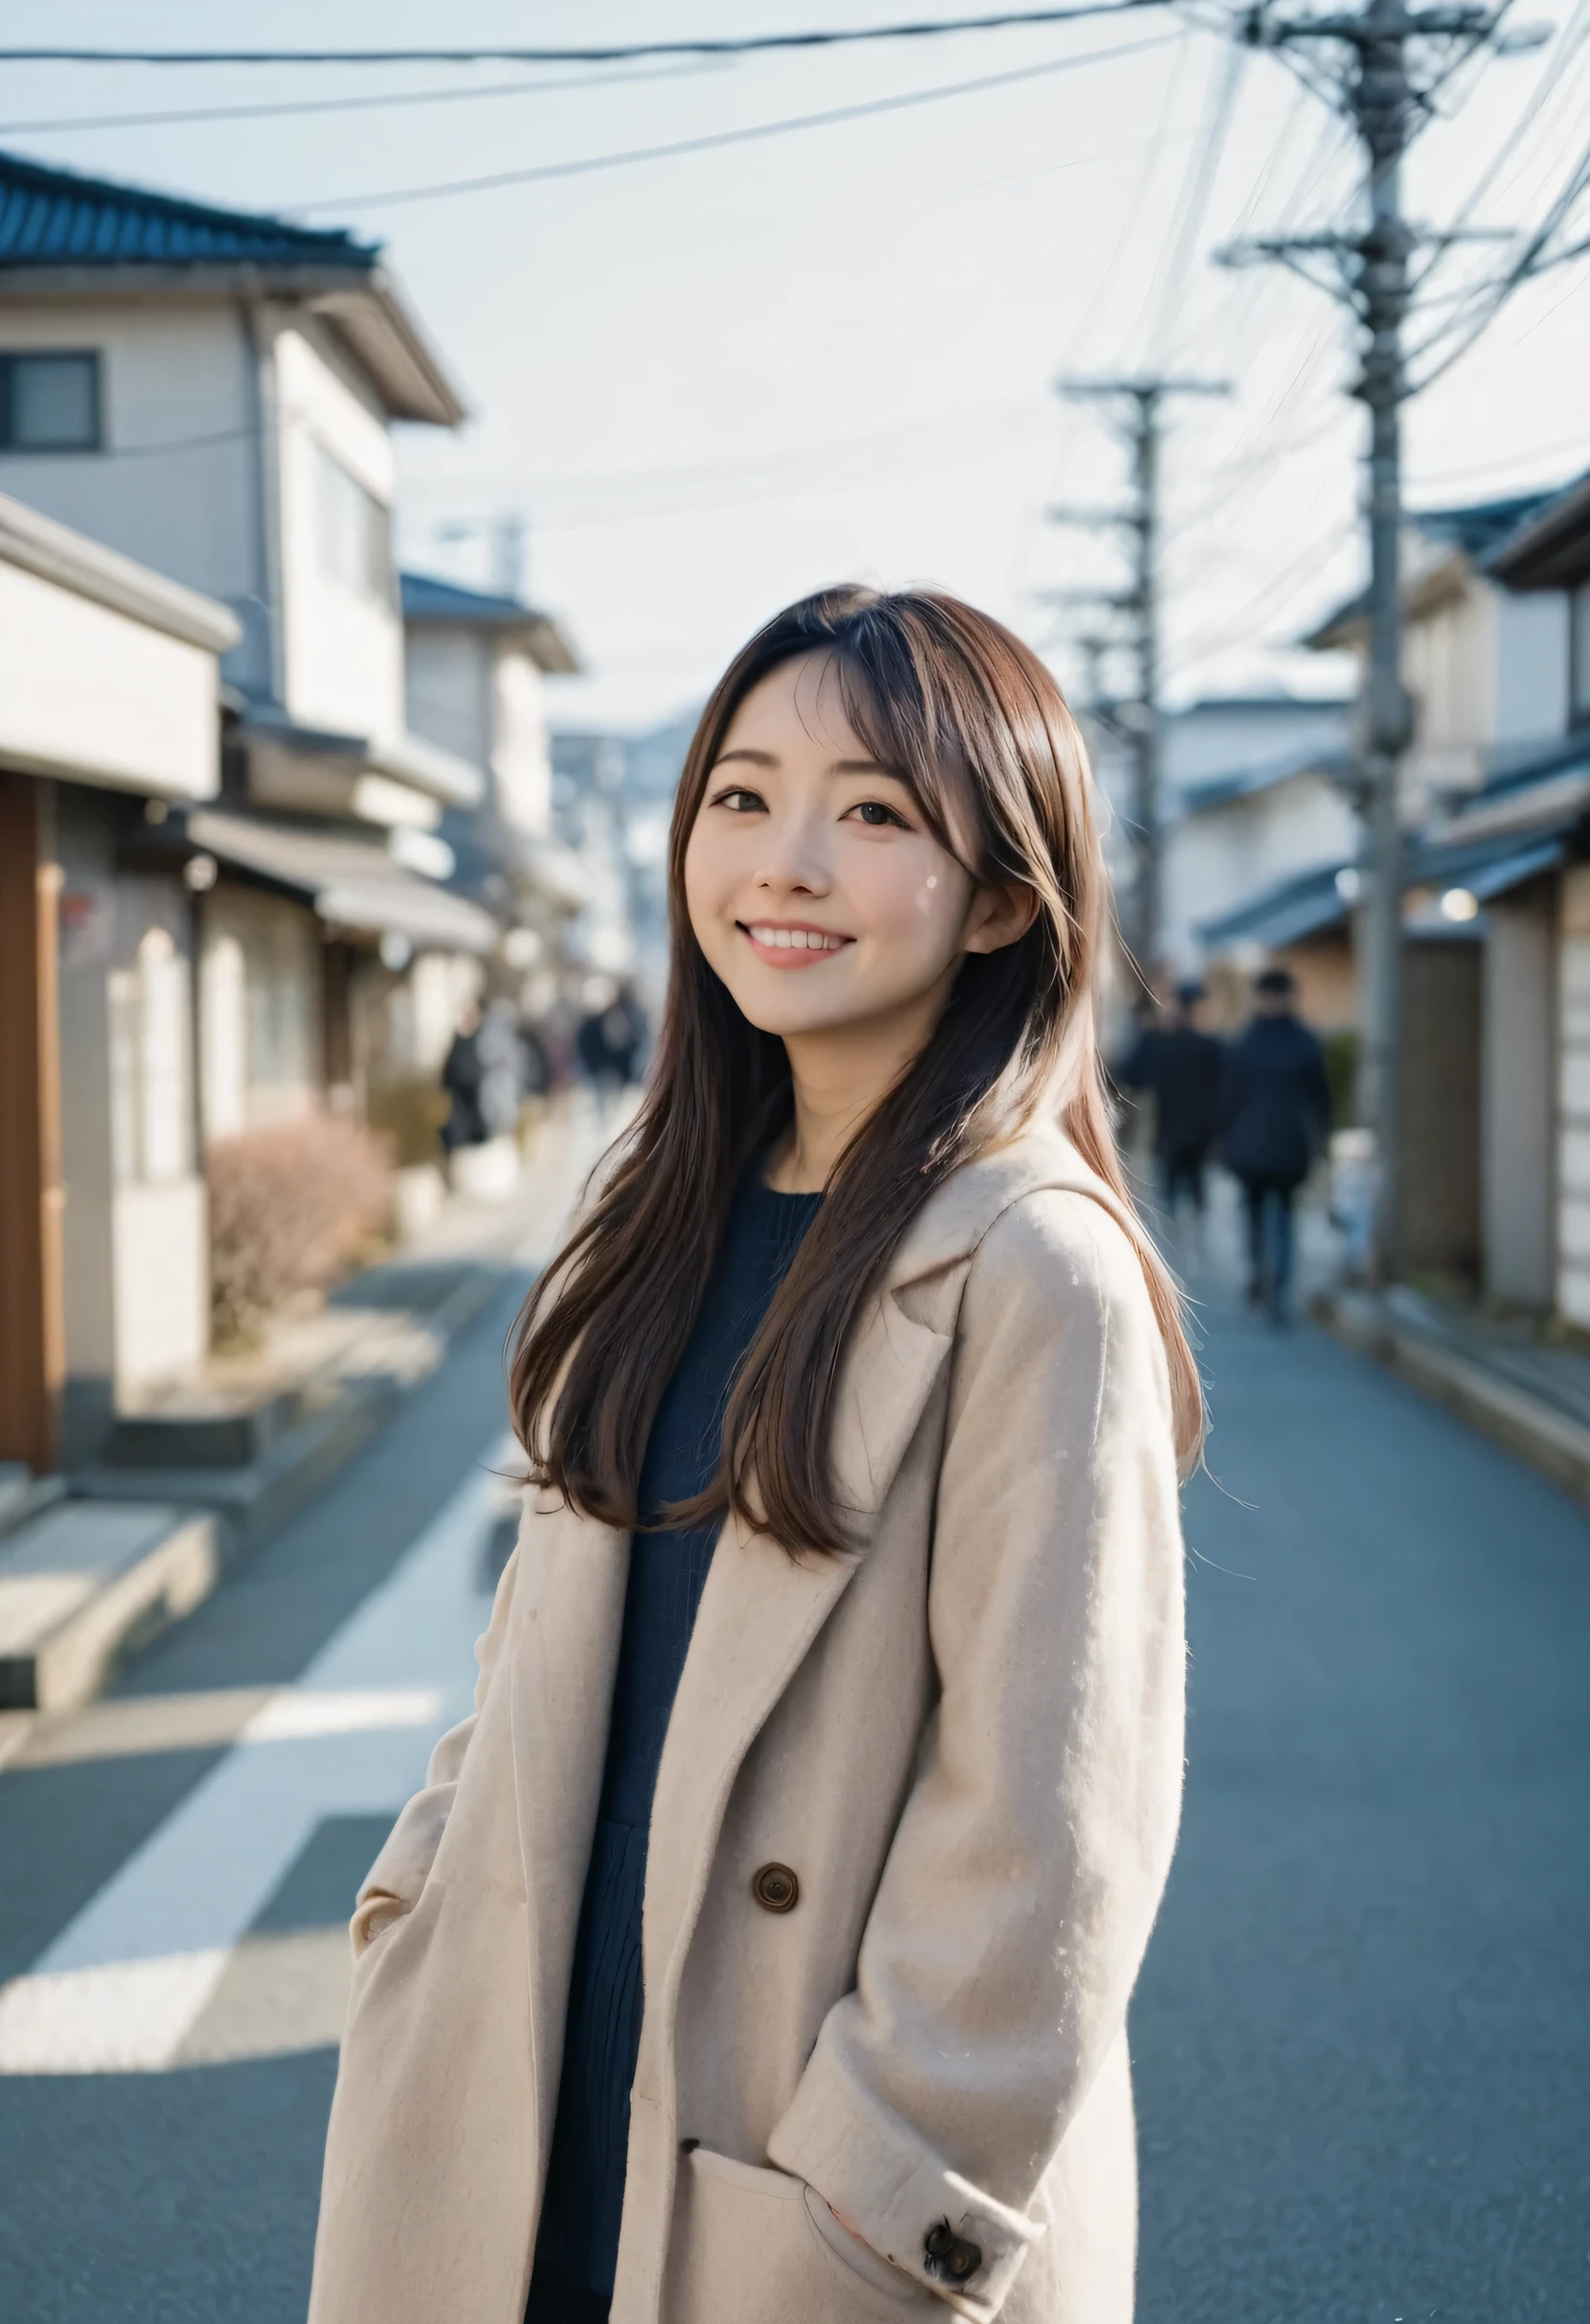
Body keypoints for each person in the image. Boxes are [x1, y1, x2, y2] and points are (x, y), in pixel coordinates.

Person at [310, 589, 1198, 2324]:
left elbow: (1046, 1835)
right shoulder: (641, 1214)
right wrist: (414, 1905)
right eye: (739, 794)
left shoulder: (1032, 1266)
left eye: (870, 812)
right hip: (519, 2097)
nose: (783, 860)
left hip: (797, 2187)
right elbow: (529, 1658)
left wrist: (870, 2204)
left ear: (1004, 894)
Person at [1221, 963, 1332, 1324]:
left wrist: (1225, 1137)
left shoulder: (1247, 1040)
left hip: (1254, 1145)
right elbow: (1321, 1099)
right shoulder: (1304, 1041)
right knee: (1279, 1217)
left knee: (1260, 1216)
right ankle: (1274, 1286)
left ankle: (1264, 1281)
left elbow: (1229, 1097)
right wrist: (1320, 1140)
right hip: (1286, 1144)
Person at [1116, 979, 1226, 1224]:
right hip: (1201, 1135)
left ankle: (1173, 1253)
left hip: (1168, 1133)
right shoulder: (1213, 1046)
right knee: (1198, 1198)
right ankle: (1195, 1248)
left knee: (1169, 1200)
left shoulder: (1161, 1043)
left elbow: (1130, 1076)